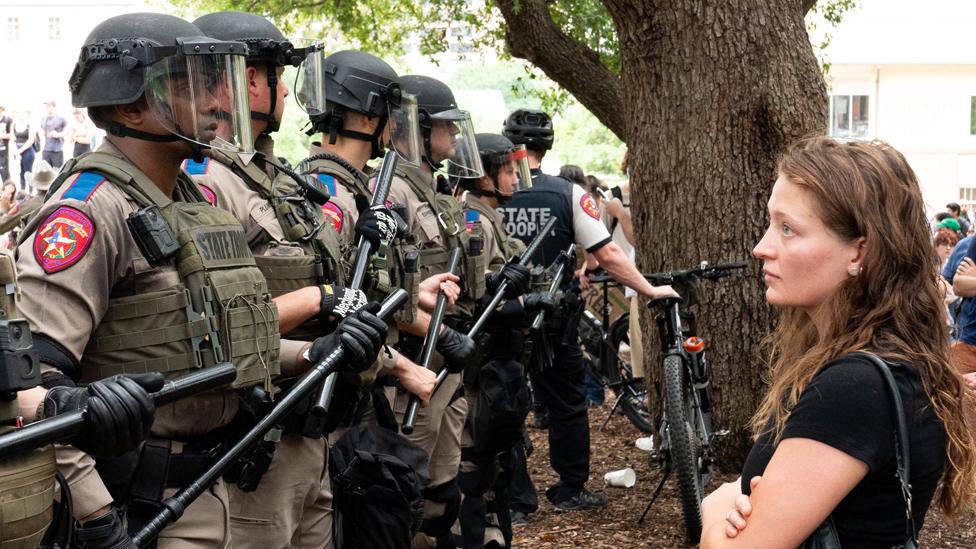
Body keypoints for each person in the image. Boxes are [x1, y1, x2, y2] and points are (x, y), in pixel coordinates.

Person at [14, 12, 386, 547]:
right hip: (147, 505)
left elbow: (207, 349)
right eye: (192, 83)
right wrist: (96, 518)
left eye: (216, 81)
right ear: (130, 105)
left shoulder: (191, 208)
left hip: (218, 485)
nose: (218, 101)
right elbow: (37, 393)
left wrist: (311, 354)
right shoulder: (89, 211)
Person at [702, 137, 976, 547]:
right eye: (770, 224)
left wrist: (717, 504)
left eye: (788, 229)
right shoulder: (882, 361)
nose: (761, 248)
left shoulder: (856, 386)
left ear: (858, 252)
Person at [499, 108, 676, 518]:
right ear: (549, 145)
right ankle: (569, 488)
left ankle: (511, 497)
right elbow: (607, 252)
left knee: (502, 398)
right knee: (568, 403)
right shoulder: (569, 193)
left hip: (503, 313)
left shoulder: (487, 187)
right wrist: (648, 289)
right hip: (556, 318)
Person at [386, 74, 489, 549]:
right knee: (408, 491)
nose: (452, 138)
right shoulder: (393, 191)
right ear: (417, 128)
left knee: (443, 493)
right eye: (444, 127)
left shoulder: (433, 192)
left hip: (446, 365)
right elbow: (381, 290)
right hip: (415, 364)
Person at [454, 133, 552, 548]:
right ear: (484, 174)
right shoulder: (473, 219)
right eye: (509, 170)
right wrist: (525, 301)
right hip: (484, 368)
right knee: (476, 464)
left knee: (498, 462)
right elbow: (478, 301)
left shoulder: (491, 216)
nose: (515, 178)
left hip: (502, 364)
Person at [11, 110, 35, 191]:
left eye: (22, 113)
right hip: (18, 153)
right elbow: (13, 139)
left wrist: (20, 151)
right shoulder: (14, 125)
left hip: (28, 152)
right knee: (20, 172)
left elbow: (31, 140)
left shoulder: (29, 125)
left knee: (28, 172)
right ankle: (22, 192)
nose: (20, 115)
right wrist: (16, 151)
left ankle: (31, 192)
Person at [40, 100, 66, 169]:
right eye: (46, 106)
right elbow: (42, 130)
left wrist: (58, 134)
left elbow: (67, 132)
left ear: (54, 107)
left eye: (49, 106)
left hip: (57, 150)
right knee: (45, 173)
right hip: (46, 150)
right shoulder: (43, 119)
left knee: (57, 173)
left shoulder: (61, 119)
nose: (47, 108)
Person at [0, 105, 12, 181]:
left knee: (4, 172)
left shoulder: (7, 119)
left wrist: (2, 136)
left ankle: (6, 188)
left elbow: (11, 135)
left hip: (3, 150)